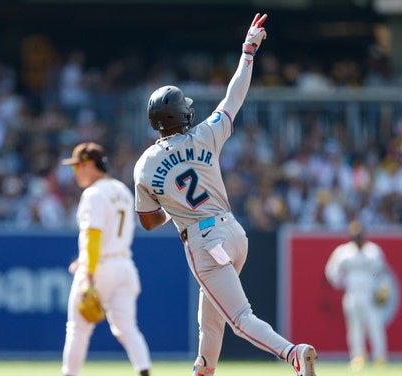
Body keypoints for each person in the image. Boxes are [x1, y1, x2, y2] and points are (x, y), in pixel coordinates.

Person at [133, 12, 318, 376]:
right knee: (211, 310)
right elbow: (235, 95)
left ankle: (293, 353)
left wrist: (175, 206)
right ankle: (205, 368)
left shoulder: (144, 166)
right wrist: (248, 51)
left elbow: (149, 222)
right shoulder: (205, 135)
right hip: (233, 232)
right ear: (179, 115)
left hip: (203, 240)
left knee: (239, 318)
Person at [61, 142, 151, 376]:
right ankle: (144, 371)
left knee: (77, 330)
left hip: (99, 268)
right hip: (124, 266)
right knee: (128, 329)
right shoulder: (122, 190)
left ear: (90, 165)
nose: (76, 172)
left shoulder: (94, 193)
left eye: (77, 166)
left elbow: (93, 236)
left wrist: (88, 274)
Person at [324, 220, 390, 371]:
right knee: (355, 327)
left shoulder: (373, 251)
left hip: (370, 294)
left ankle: (380, 357)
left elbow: (381, 272)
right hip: (352, 293)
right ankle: (358, 357)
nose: (358, 236)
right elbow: (332, 271)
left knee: (375, 325)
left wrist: (381, 289)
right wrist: (341, 284)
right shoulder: (344, 252)